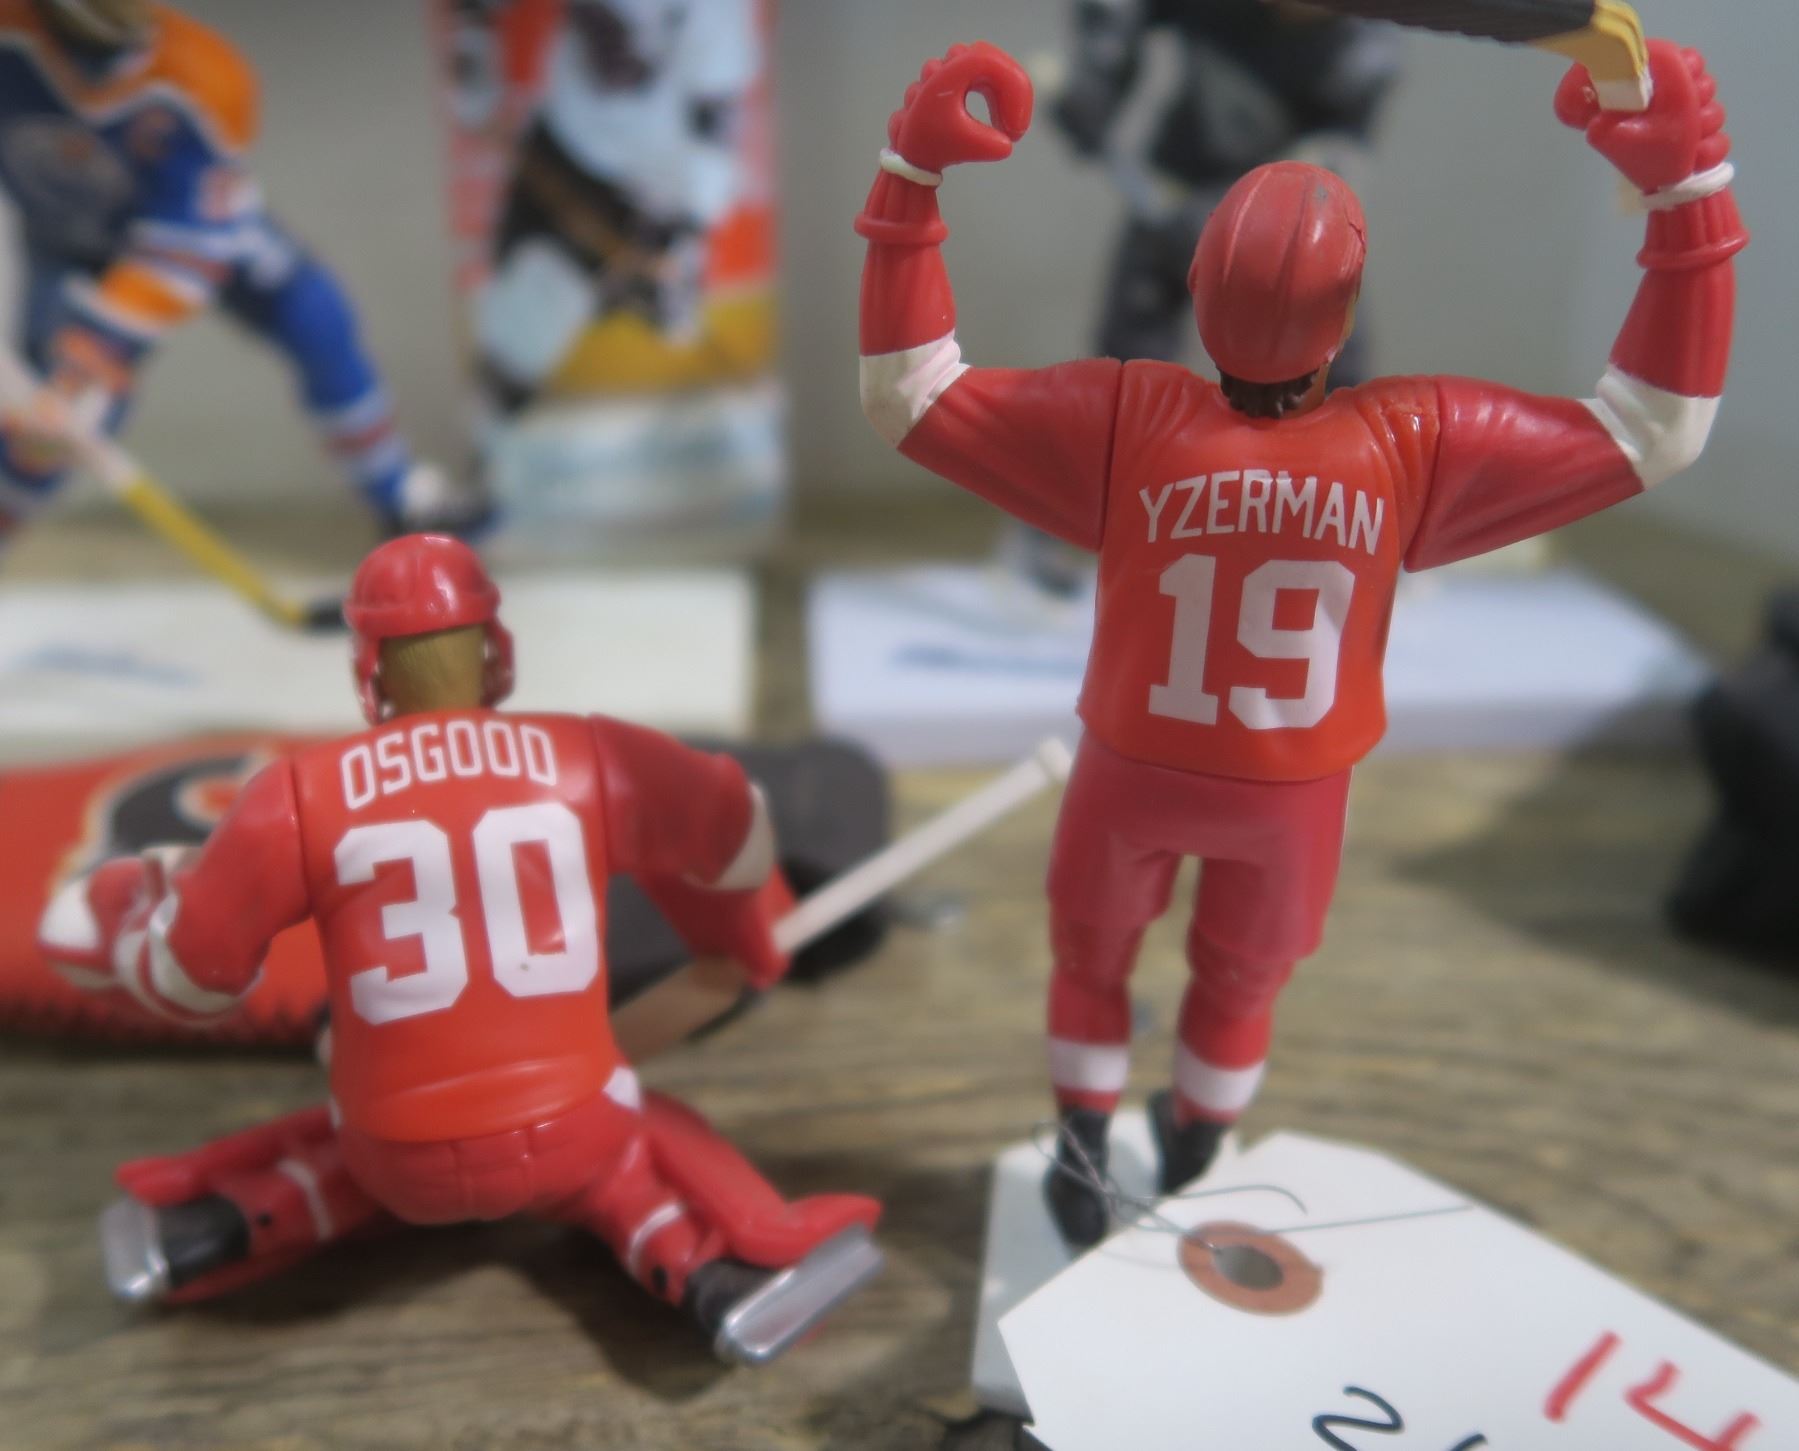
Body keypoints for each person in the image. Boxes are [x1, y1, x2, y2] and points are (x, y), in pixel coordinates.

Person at [856, 40, 1744, 1246]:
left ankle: (1081, 1145)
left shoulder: (1127, 421)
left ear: (1197, 285)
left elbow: (907, 391)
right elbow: (1656, 427)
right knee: (1241, 979)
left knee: (1088, 959)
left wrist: (908, 183)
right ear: (1344, 313)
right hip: (1290, 790)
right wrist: (1688, 197)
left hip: (1129, 764)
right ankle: (1195, 1142)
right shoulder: (1410, 443)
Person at [38, 534, 881, 1361]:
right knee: (636, 1149)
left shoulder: (294, 794)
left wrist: (122, 927)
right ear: (495, 649)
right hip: (576, 1127)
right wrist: (738, 939)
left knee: (356, 1148)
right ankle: (715, 1266)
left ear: (367, 667)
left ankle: (222, 1222)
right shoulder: (592, 753)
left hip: (393, 1152)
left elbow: (196, 978)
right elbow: (731, 828)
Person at [0, 0, 485, 547]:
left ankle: (398, 496)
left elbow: (187, 243)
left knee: (316, 318)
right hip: (68, 249)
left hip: (187, 242)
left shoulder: (202, 76)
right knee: (43, 433)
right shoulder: (11, 34)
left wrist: (97, 348)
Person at [470, 0, 760, 423]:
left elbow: (716, 113)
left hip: (643, 189)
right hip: (562, 141)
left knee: (668, 325)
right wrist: (472, 62)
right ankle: (488, 436)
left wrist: (686, 226)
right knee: (516, 341)